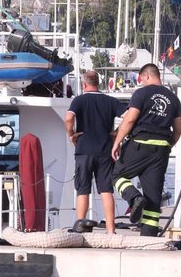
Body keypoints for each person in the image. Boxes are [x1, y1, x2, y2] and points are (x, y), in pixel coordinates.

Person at [111, 63, 181, 236]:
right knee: (153, 196)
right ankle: (148, 239)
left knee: (117, 175)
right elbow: (178, 130)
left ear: (146, 76)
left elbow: (129, 120)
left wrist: (117, 142)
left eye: (141, 80)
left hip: (140, 143)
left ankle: (134, 198)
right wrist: (168, 145)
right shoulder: (173, 98)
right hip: (161, 150)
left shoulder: (141, 93)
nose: (141, 83)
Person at [64, 70, 123, 234]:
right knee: (106, 190)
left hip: (84, 150)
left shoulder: (79, 100)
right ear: (99, 83)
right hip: (105, 150)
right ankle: (111, 230)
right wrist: (117, 132)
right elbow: (128, 116)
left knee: (83, 189)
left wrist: (72, 134)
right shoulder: (110, 101)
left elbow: (69, 118)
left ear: (84, 84)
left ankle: (80, 228)